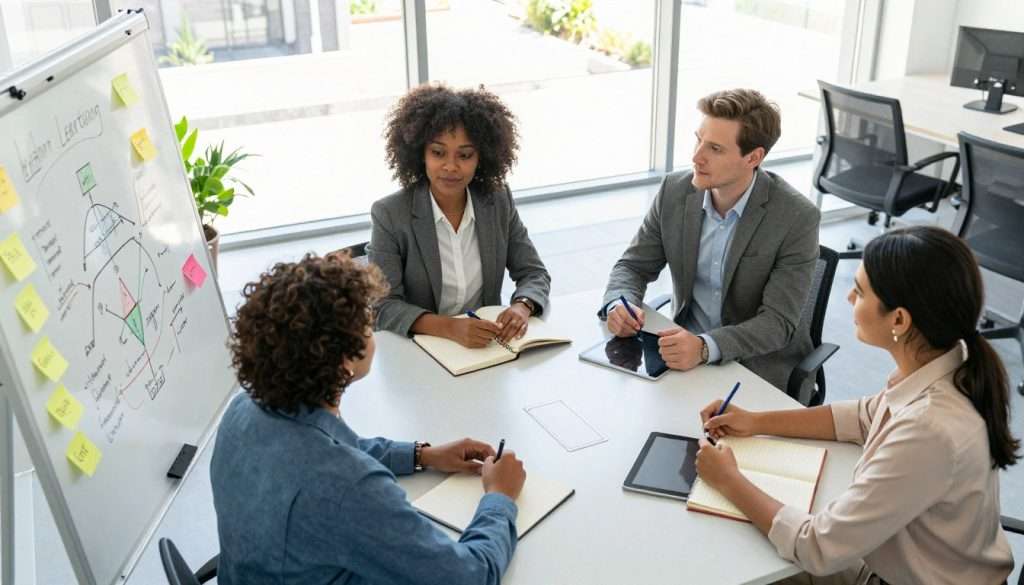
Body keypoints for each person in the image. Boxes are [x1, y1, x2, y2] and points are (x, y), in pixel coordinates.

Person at [696, 226, 1018, 585]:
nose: (849, 297)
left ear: (899, 319)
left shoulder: (931, 429)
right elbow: (860, 417)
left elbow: (816, 546)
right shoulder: (943, 365)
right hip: (894, 559)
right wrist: (756, 421)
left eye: (861, 291)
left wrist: (729, 480)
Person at [210, 252, 527, 585]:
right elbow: (469, 577)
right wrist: (499, 497)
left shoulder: (242, 410)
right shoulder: (351, 488)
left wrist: (422, 455)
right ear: (345, 360)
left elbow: (329, 447)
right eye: (367, 324)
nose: (373, 328)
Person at [600, 88, 820, 392]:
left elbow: (777, 323)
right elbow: (633, 266)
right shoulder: (674, 192)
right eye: (698, 139)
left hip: (755, 366)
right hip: (680, 354)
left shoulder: (795, 217)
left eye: (715, 149)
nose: (696, 156)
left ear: (753, 157)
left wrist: (705, 347)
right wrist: (617, 304)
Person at [369, 83, 550, 348]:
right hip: (421, 349)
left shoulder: (497, 201)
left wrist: (522, 306)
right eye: (438, 153)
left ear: (481, 157)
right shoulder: (390, 214)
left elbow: (534, 273)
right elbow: (382, 306)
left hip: (486, 347)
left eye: (464, 155)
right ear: (420, 153)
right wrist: (449, 327)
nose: (451, 166)